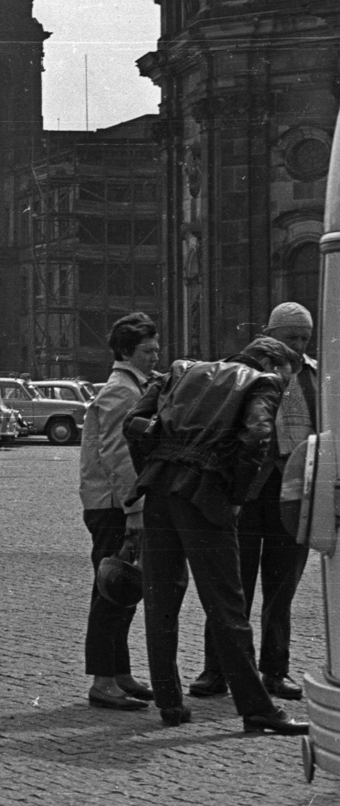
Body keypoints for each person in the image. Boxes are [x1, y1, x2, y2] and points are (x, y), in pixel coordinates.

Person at [127, 336, 307, 733]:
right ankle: (257, 708)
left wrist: (153, 464)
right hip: (206, 494)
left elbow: (134, 423)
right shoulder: (263, 382)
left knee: (161, 599)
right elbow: (258, 435)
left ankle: (170, 704)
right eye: (285, 375)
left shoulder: (181, 369)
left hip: (158, 487)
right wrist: (238, 495)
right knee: (227, 604)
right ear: (274, 364)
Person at [190, 303, 317, 701]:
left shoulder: (315, 375)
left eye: (303, 338)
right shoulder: (239, 370)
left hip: (294, 494)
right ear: (269, 333)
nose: (296, 345)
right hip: (244, 494)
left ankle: (275, 671)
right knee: (232, 586)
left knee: (281, 590)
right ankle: (218, 670)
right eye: (289, 337)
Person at [79, 312, 160, 710]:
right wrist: (134, 509)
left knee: (125, 587)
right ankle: (103, 680)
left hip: (117, 504)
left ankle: (120, 672)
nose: (155, 355)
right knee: (110, 590)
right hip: (113, 506)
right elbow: (117, 454)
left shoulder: (134, 386)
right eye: (147, 350)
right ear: (127, 351)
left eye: (156, 348)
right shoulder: (121, 392)